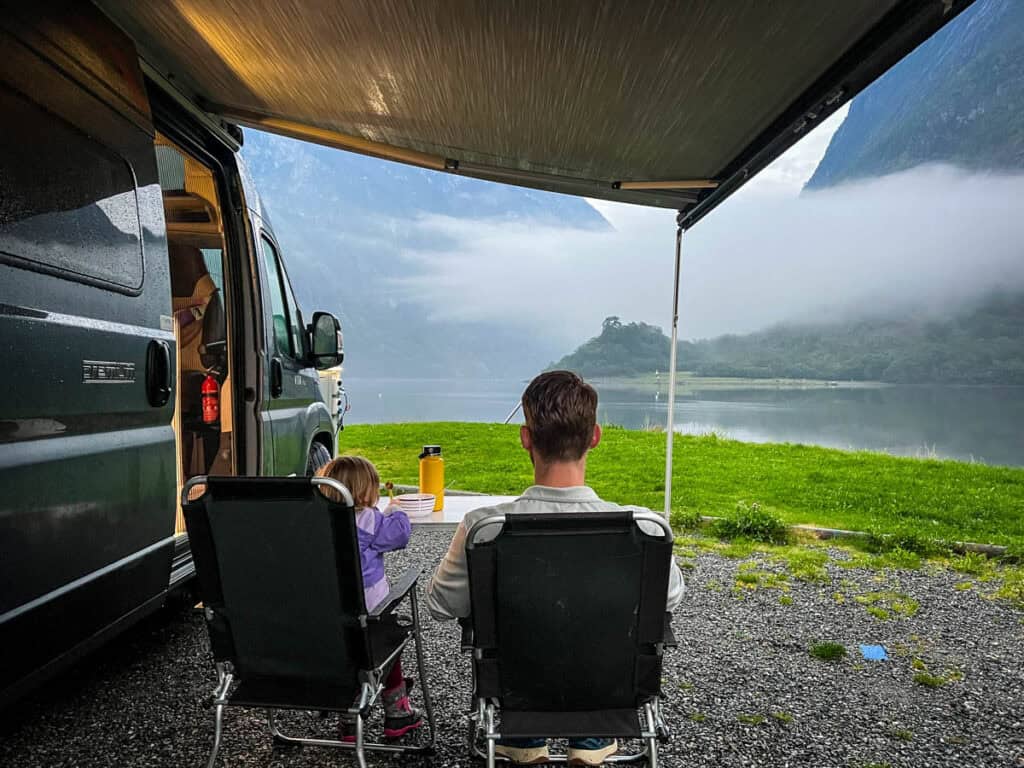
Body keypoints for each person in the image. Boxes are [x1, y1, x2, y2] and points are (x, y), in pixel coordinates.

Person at [426, 370, 685, 766]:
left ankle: (525, 744)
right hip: (607, 690)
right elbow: (669, 596)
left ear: (526, 438)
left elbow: (442, 605)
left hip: (517, 692)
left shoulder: (485, 528)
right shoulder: (644, 529)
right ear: (595, 436)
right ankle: (591, 741)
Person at [316, 456, 424, 739]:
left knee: (349, 656)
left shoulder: (315, 522)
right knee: (389, 647)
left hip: (329, 612)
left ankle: (349, 720)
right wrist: (397, 511)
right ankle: (397, 712)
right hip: (369, 611)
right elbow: (399, 536)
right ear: (364, 493)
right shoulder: (369, 519)